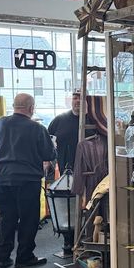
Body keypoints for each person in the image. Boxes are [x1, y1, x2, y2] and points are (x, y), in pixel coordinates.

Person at [0, 93, 56, 268]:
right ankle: (24, 256)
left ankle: (2, 257)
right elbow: (48, 154)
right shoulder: (37, 129)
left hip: (2, 177)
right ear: (31, 108)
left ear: (14, 106)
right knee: (29, 220)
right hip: (27, 179)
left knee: (7, 218)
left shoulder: (0, 123)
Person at [47, 91, 86, 257]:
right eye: (75, 98)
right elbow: (48, 141)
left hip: (89, 171)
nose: (77, 101)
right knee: (68, 207)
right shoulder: (59, 120)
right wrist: (48, 160)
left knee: (88, 206)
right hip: (66, 172)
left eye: (81, 97)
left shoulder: (94, 120)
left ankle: (87, 238)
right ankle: (68, 242)